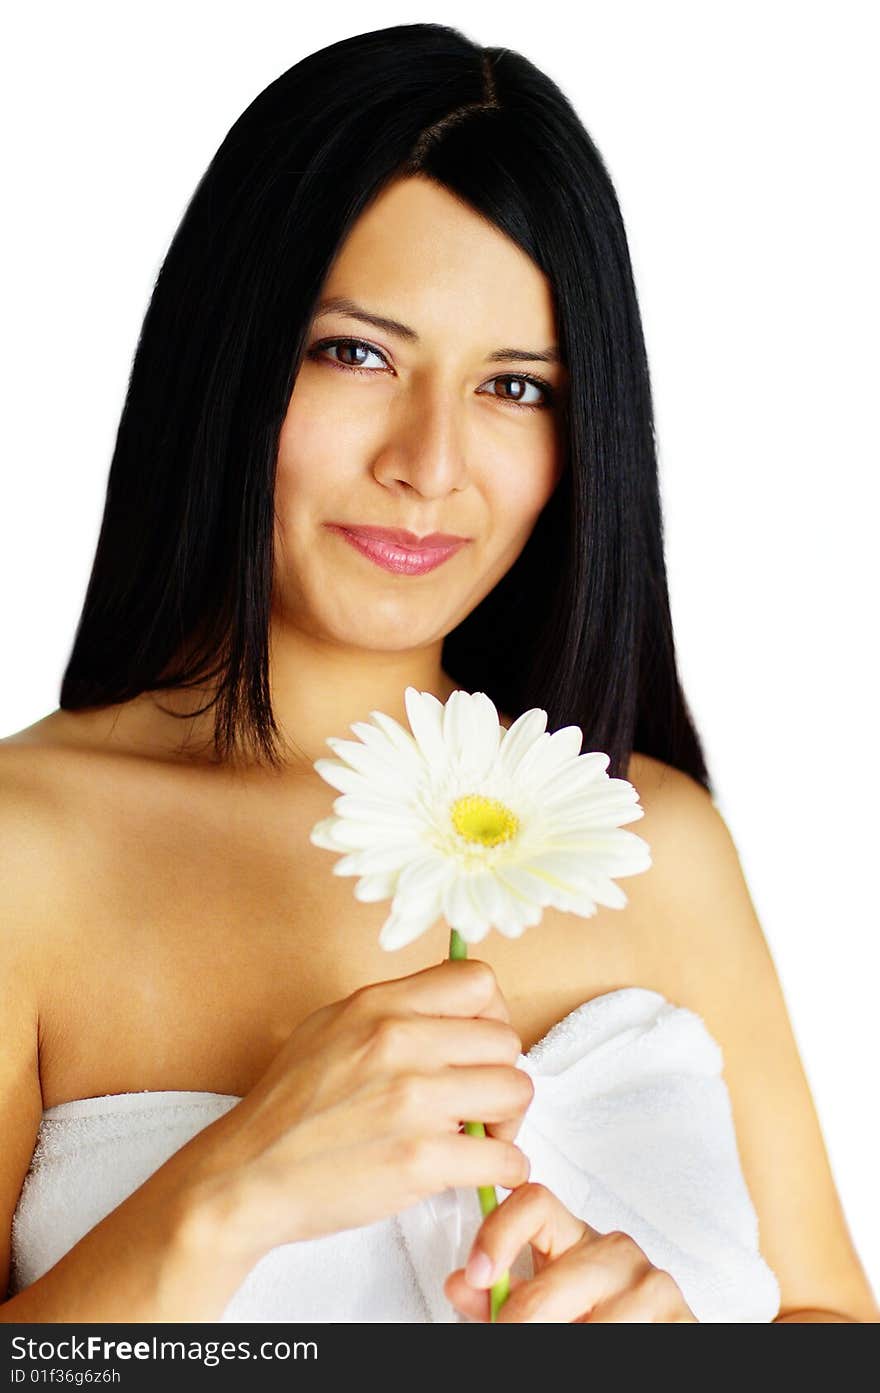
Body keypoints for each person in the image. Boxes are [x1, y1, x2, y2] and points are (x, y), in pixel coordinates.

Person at [1, 21, 876, 1325]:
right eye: (356, 352)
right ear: (230, 358)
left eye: (516, 386)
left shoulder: (661, 838)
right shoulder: (31, 850)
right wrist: (232, 1186)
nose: (432, 461)